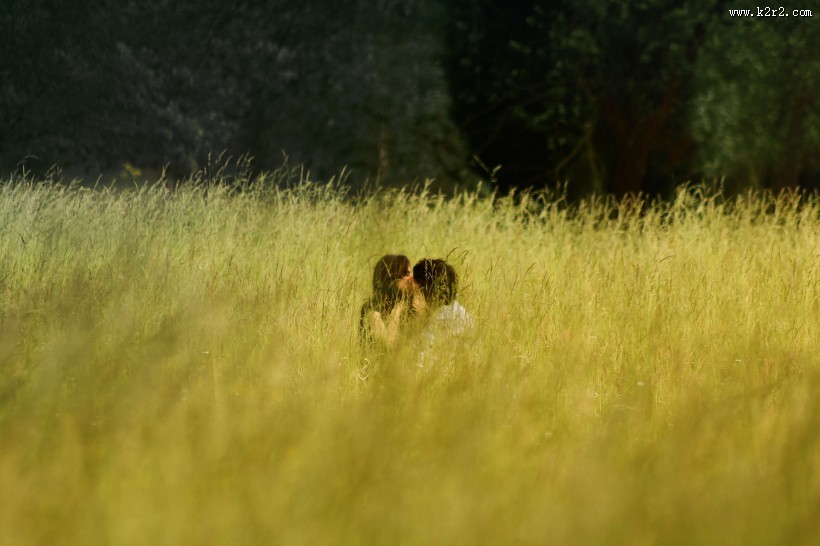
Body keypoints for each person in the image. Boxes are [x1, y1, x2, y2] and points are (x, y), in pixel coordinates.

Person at [412, 258, 473, 364]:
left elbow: (420, 364)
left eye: (416, 290)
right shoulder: (458, 310)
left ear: (423, 290)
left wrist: (421, 317)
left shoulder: (441, 321)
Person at [359, 254, 421, 348]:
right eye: (406, 274)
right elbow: (388, 346)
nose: (411, 279)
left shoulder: (411, 307)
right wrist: (398, 309)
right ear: (390, 278)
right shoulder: (372, 311)